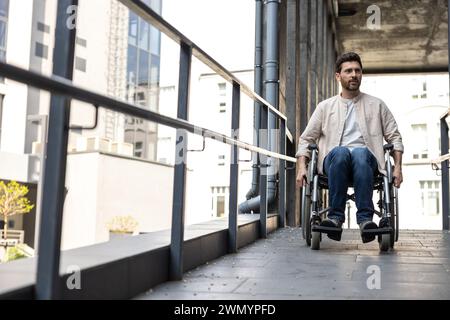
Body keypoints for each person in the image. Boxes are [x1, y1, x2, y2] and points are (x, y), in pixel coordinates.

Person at [295, 52, 404, 243]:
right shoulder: (325, 107)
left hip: (367, 164)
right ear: (338, 76)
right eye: (348, 71)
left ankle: (365, 221)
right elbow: (306, 139)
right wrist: (302, 167)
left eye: (357, 71)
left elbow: (394, 137)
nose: (354, 75)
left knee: (361, 153)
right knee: (341, 152)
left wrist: (397, 167)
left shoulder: (377, 105)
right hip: (335, 162)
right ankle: (335, 218)